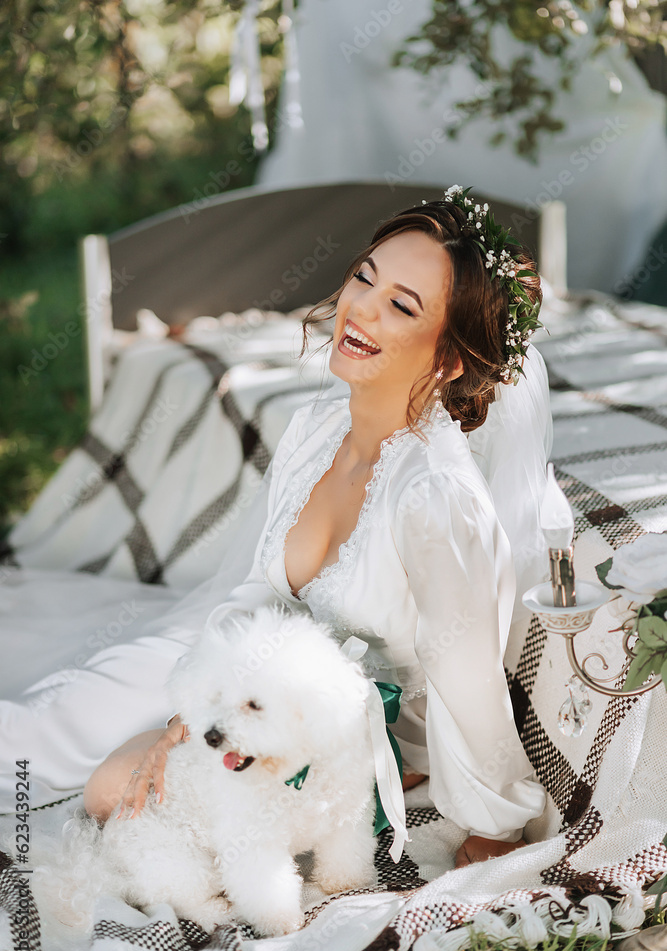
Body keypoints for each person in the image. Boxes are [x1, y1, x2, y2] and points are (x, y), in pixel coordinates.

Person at [82, 186, 550, 868]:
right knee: (100, 756)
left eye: (401, 306)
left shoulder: (433, 499)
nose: (359, 308)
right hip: (268, 701)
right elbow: (256, 592)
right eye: (365, 276)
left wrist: (493, 825)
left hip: (364, 734)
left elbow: (467, 680)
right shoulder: (313, 430)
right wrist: (205, 704)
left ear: (448, 360)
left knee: (111, 798)